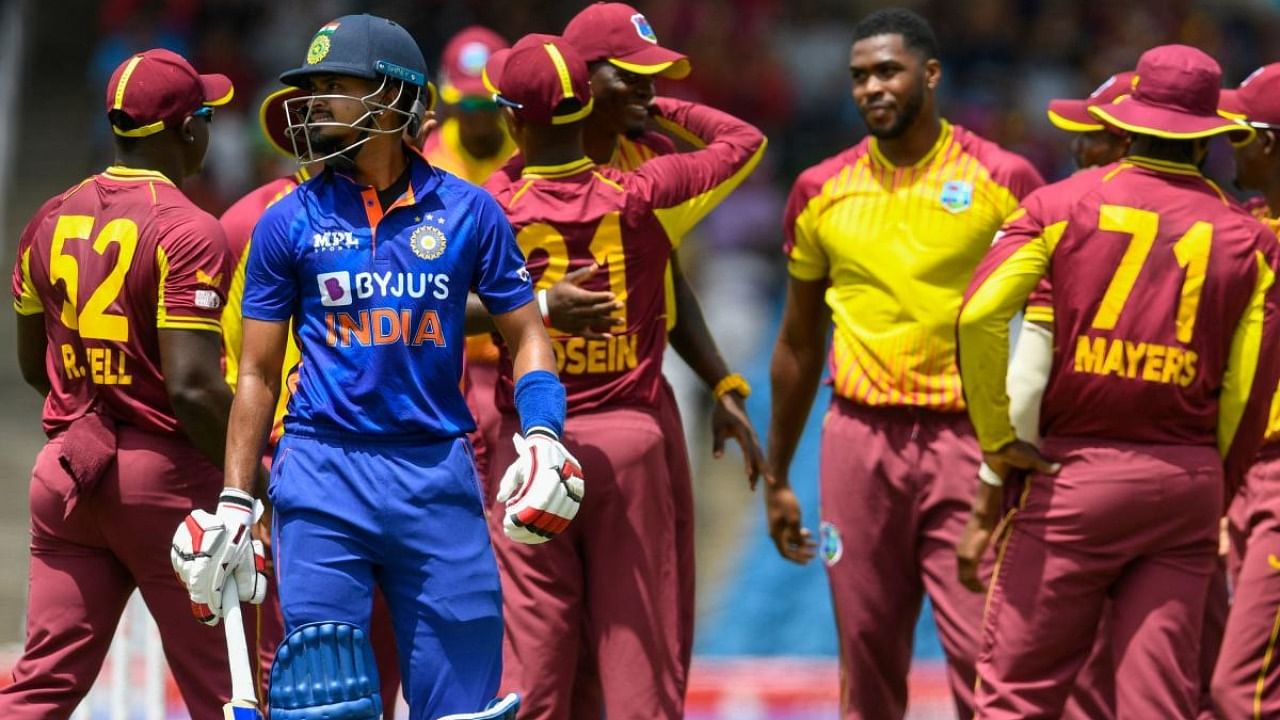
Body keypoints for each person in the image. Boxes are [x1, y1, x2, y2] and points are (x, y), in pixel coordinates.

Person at [175, 15, 579, 719]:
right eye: (313, 86)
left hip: (438, 477)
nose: (313, 102)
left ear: (394, 99)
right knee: (321, 705)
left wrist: (544, 433)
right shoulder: (287, 221)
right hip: (320, 478)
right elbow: (257, 378)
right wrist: (238, 499)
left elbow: (528, 333)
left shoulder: (470, 212)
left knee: (460, 708)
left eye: (334, 85)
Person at [955, 44, 1280, 718]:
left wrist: (997, 441)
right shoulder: (1250, 239)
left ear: (1128, 124)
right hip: (1188, 482)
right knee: (1156, 701)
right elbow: (1247, 387)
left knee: (1017, 695)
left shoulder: (1056, 205)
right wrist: (1216, 476)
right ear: (1207, 136)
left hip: (1077, 474)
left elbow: (980, 314)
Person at [764, 8, 1043, 718]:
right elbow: (798, 343)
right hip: (858, 443)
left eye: (887, 70)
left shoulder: (1005, 178)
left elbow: (1050, 320)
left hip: (967, 443)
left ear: (931, 73)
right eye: (858, 76)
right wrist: (775, 476)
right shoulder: (821, 190)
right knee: (866, 661)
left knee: (987, 659)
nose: (871, 88)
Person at [482, 32, 765, 718]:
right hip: (630, 443)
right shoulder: (644, 194)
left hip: (527, 443)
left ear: (514, 120)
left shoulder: (484, 207)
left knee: (535, 655)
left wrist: (537, 308)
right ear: (586, 107)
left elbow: (431, 302)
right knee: (637, 650)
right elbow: (742, 141)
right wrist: (656, 105)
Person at [6, 48, 243, 719]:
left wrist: (94, 396)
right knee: (233, 687)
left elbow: (34, 366)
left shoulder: (47, 217)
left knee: (40, 688)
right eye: (205, 115)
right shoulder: (188, 228)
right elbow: (194, 387)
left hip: (68, 474)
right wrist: (253, 472)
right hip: (165, 481)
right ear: (183, 129)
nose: (208, 130)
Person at [219, 85, 403, 717]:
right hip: (298, 459)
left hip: (399, 456)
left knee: (382, 659)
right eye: (310, 115)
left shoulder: (421, 208)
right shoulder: (256, 220)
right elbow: (239, 366)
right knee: (308, 664)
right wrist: (251, 480)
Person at [1211, 61, 1280, 718]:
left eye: (1236, 132)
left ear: (1271, 143)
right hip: (1237, 467)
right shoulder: (1242, 229)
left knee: (1241, 694)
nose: (1220, 141)